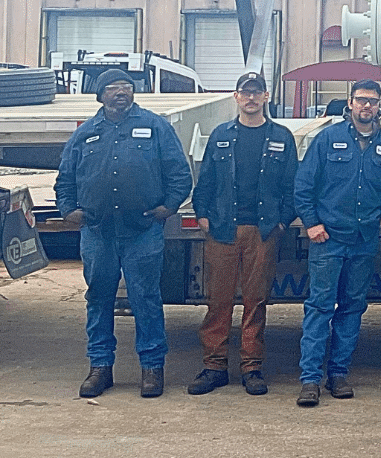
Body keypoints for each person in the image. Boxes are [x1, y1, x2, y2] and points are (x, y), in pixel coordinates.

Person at [54, 68, 193, 399]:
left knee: (145, 298)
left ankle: (152, 368)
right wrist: (68, 210)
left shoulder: (156, 126)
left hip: (142, 232)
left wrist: (169, 206)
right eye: (113, 88)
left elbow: (179, 173)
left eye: (126, 88)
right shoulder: (84, 133)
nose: (121, 92)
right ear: (100, 95)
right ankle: (100, 368)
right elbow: (65, 179)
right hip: (98, 233)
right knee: (99, 298)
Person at [293, 79, 381, 408]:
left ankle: (338, 375)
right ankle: (310, 380)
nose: (366, 106)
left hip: (363, 240)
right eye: (361, 100)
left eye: (373, 101)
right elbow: (303, 185)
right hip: (329, 240)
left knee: (352, 309)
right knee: (320, 309)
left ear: (380, 106)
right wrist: (312, 224)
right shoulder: (327, 139)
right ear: (350, 103)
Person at [188, 71, 299, 396]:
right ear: (236, 97)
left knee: (255, 302)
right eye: (245, 92)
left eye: (257, 92)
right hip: (222, 230)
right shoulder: (221, 135)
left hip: (262, 232)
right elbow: (205, 181)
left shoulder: (282, 137)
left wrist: (280, 223)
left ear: (266, 96)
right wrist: (203, 215)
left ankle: (252, 368)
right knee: (218, 302)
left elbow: (292, 186)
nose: (251, 98)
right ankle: (214, 366)